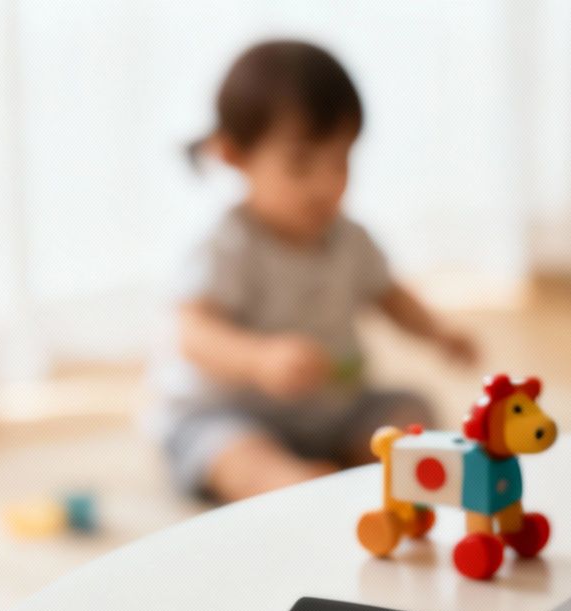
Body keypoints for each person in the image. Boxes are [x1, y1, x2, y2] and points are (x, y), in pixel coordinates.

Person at [150, 40, 476, 503]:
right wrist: (258, 359)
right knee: (237, 456)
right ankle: (296, 487)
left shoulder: (351, 238)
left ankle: (343, 465)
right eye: (301, 163)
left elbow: (390, 295)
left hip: (332, 412)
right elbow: (192, 332)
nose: (327, 185)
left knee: (411, 411)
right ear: (234, 155)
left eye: (341, 161)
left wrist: (438, 332)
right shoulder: (228, 244)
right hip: (230, 415)